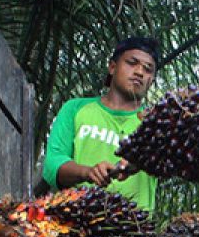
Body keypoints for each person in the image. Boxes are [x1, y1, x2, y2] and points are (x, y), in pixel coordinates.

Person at [40, 37, 160, 212]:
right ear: (112, 67)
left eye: (148, 69)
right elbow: (53, 165)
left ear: (152, 80)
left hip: (133, 233)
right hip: (76, 226)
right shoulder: (75, 109)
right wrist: (88, 172)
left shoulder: (155, 123)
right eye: (132, 63)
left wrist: (141, 162)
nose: (140, 72)